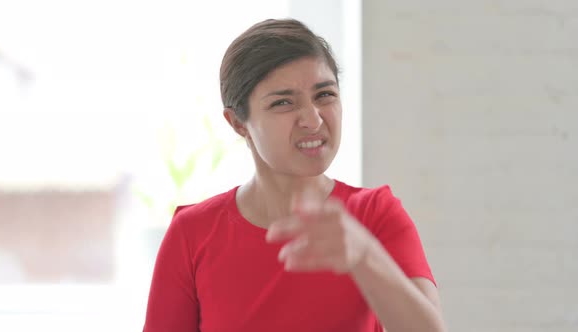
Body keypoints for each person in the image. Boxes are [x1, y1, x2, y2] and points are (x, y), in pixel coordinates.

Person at [143, 18, 446, 332]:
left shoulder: (375, 215)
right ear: (238, 123)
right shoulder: (192, 234)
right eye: (283, 102)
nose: (313, 120)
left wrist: (365, 256)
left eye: (325, 95)